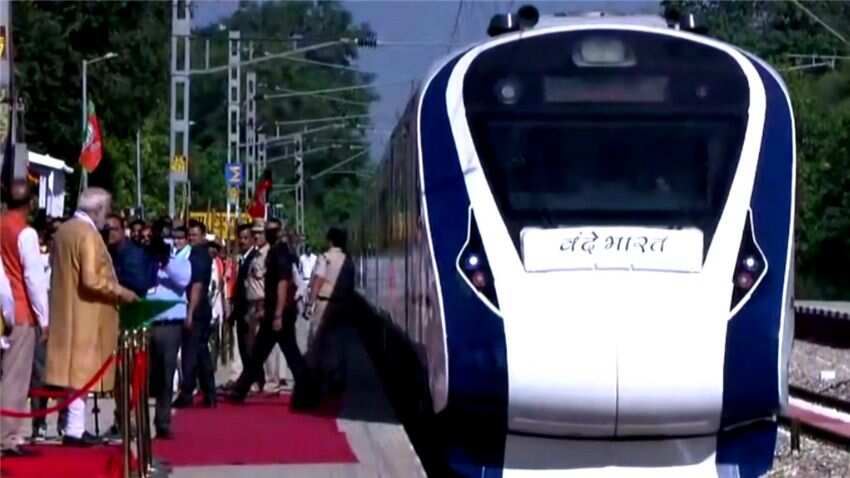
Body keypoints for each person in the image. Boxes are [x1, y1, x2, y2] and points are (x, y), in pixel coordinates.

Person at [45, 188, 138, 447]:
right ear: (96, 210)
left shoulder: (64, 231)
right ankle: (75, 429)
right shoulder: (88, 235)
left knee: (75, 376)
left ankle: (74, 426)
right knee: (82, 374)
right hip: (87, 313)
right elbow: (91, 279)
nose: (106, 219)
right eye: (105, 212)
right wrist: (121, 292)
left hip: (66, 310)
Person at [228, 218, 315, 409]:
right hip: (276, 311)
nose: (262, 234)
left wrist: (277, 314)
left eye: (266, 231)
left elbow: (283, 284)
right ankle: (241, 389)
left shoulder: (280, 254)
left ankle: (306, 391)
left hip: (279, 312)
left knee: (286, 354)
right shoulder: (279, 252)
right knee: (262, 352)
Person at [0, 180, 49, 456]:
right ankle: (9, 436)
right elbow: (33, 278)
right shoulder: (26, 233)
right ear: (30, 203)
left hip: (2, 307)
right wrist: (44, 318)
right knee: (16, 377)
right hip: (19, 310)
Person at [146, 233, 192, 439]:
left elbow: (183, 280)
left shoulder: (180, 262)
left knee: (166, 375)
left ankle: (162, 422)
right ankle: (132, 420)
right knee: (144, 376)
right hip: (146, 323)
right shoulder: (146, 262)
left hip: (169, 325)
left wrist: (166, 261)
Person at [305, 227, 355, 397]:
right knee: (338, 342)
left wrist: (309, 302)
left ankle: (319, 377)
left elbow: (318, 279)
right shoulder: (348, 260)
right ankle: (337, 377)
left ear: (330, 240)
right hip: (342, 304)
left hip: (324, 303)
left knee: (318, 340)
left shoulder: (325, 258)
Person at [173, 220, 216, 408]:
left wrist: (190, 313)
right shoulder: (198, 253)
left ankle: (187, 391)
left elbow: (197, 286)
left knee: (191, 353)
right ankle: (209, 392)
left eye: (194, 235)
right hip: (199, 308)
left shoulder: (198, 256)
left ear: (203, 236)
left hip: (197, 309)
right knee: (200, 351)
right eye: (189, 235)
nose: (191, 238)